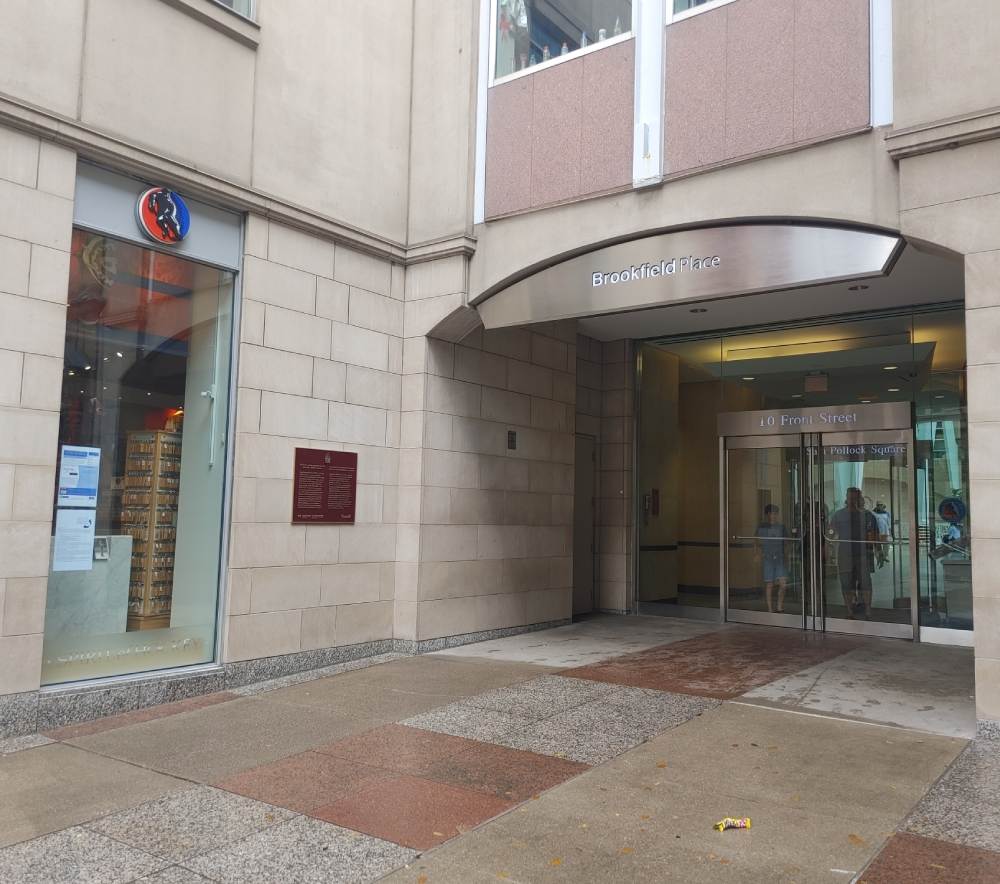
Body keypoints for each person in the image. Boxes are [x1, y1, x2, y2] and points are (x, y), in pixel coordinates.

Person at [829, 487, 878, 619]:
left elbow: (872, 536)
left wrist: (876, 551)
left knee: (865, 582)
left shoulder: (867, 515)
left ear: (860, 499)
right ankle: (850, 610)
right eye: (850, 498)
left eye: (855, 498)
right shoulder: (838, 515)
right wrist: (828, 547)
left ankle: (867, 609)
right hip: (845, 553)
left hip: (862, 553)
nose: (852, 501)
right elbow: (830, 533)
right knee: (846, 582)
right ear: (846, 498)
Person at [755, 503, 788, 614]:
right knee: (769, 584)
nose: (773, 516)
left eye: (775, 513)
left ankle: (779, 605)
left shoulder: (781, 527)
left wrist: (787, 555)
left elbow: (786, 543)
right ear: (767, 515)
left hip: (779, 557)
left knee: (783, 584)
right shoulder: (762, 527)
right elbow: (757, 541)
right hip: (768, 558)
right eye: (771, 513)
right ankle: (770, 608)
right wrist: (758, 554)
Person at [873, 501, 892, 567]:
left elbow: (888, 523)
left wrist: (890, 531)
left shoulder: (886, 513)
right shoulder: (873, 513)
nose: (880, 506)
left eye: (881, 505)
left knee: (886, 545)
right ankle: (878, 557)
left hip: (885, 532)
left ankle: (884, 557)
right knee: (876, 546)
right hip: (877, 532)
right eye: (879, 505)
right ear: (877, 505)